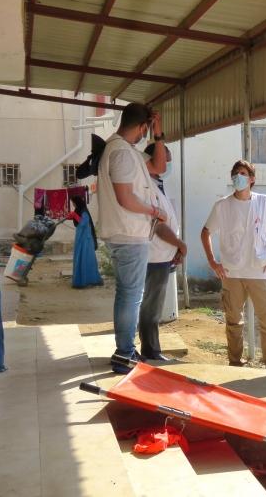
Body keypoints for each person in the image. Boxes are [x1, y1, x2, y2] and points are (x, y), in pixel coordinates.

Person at [97, 103, 168, 374]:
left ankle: (125, 349)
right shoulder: (122, 154)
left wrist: (158, 135)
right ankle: (124, 353)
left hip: (126, 233)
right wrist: (155, 210)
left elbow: (159, 166)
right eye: (146, 131)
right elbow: (125, 197)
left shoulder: (125, 151)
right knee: (131, 295)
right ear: (141, 127)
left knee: (127, 294)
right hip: (128, 234)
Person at [201, 160, 266, 370]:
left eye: (243, 173)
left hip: (260, 272)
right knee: (234, 322)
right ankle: (235, 362)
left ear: (252, 179)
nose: (239, 176)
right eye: (236, 173)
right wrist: (213, 261)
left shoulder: (264, 202)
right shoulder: (222, 205)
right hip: (232, 272)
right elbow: (206, 232)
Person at [138, 144, 187, 361]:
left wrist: (175, 247)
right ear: (151, 159)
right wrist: (179, 243)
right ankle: (151, 351)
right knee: (151, 307)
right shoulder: (146, 186)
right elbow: (157, 225)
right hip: (154, 256)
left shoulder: (157, 184)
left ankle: (151, 349)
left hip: (162, 255)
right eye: (165, 159)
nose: (167, 164)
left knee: (152, 306)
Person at [68, 195, 103, 288]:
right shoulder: (79, 211)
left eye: (74, 203)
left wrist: (74, 215)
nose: (73, 204)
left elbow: (83, 223)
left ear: (77, 203)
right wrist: (71, 216)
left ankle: (87, 280)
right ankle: (81, 280)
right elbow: (78, 221)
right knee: (80, 258)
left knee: (85, 258)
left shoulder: (84, 211)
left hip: (86, 239)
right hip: (81, 238)